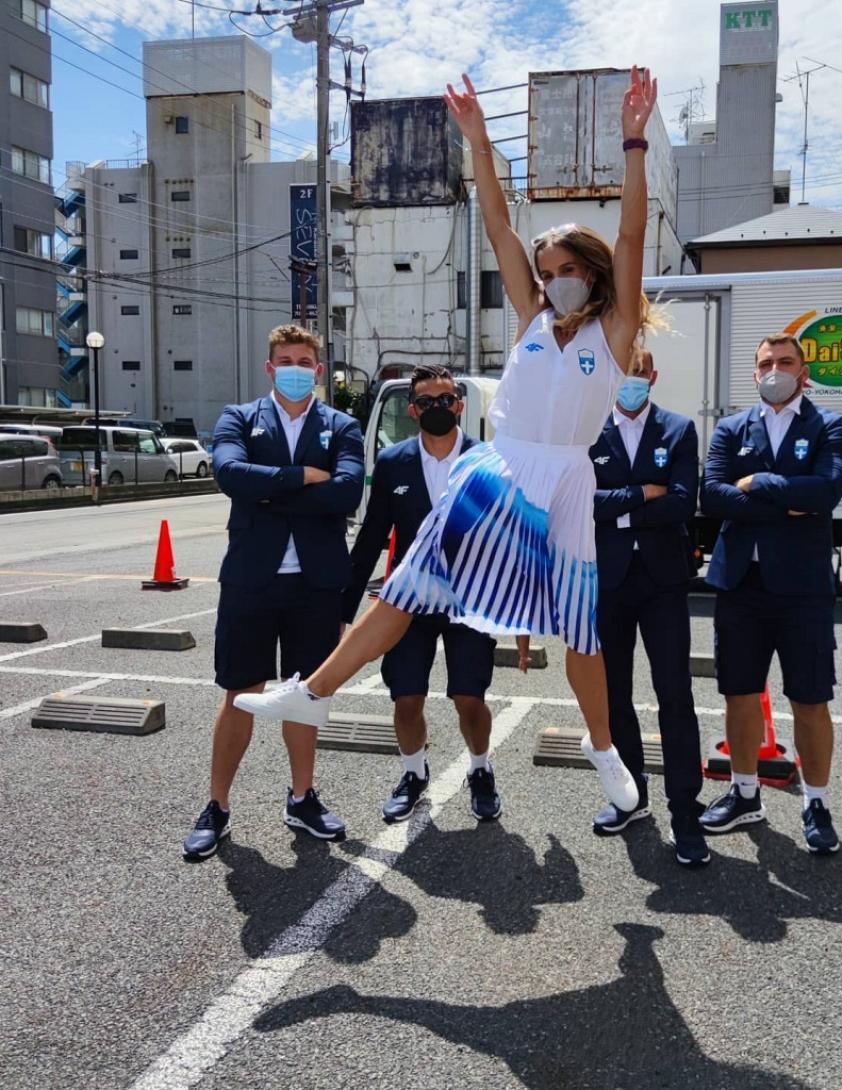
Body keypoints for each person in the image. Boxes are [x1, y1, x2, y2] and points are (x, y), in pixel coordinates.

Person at [236, 66, 664, 814]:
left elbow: (631, 229)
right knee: (409, 584)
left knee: (582, 631)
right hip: (500, 469)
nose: (553, 279)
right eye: (545, 270)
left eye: (567, 270)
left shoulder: (616, 330)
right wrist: (479, 142)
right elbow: (498, 225)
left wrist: (633, 139)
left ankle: (603, 753)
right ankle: (313, 692)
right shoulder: (530, 321)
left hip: (565, 480)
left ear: (591, 275)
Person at [182, 324, 365, 860]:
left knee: (305, 694)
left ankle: (302, 797)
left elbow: (348, 491)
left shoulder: (343, 425)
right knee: (239, 690)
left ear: (318, 370)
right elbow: (230, 475)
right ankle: (216, 806)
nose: (293, 367)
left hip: (316, 582)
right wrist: (302, 477)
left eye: (303, 360)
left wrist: (272, 492)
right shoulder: (239, 417)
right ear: (269, 368)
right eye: (284, 359)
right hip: (251, 578)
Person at [698, 332, 842, 854]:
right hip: (740, 584)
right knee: (738, 694)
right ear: (754, 372)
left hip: (803, 588)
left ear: (804, 371)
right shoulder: (731, 428)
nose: (775, 370)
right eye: (766, 363)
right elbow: (713, 496)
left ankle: (816, 801)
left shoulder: (830, 425)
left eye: (786, 362)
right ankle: (744, 794)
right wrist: (788, 498)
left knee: (810, 699)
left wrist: (756, 483)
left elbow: (826, 491)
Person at [342, 364, 502, 824]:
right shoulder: (394, 463)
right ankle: (413, 774)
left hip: (468, 601)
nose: (438, 407)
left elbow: (503, 538)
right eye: (428, 401)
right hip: (408, 603)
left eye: (446, 399)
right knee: (406, 696)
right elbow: (370, 539)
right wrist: (344, 611)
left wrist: (517, 614)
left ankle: (480, 769)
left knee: (469, 697)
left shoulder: (485, 461)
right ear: (412, 410)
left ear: (460, 404)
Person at [588, 348, 708, 866]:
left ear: (652, 377)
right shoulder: (588, 430)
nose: (629, 383)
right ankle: (630, 796)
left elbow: (683, 502)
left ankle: (686, 811)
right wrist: (642, 495)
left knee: (674, 694)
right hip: (608, 580)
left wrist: (618, 507)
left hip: (663, 580)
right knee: (614, 696)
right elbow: (582, 502)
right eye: (622, 374)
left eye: (638, 374)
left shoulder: (678, 430)